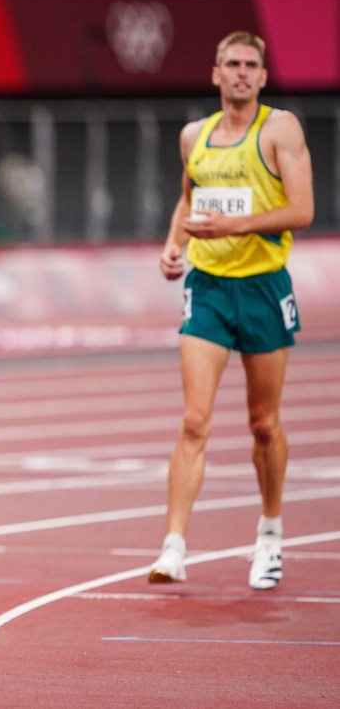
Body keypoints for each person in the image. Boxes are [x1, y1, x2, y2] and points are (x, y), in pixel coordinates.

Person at [149, 31, 314, 590]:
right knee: (195, 419)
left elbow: (303, 209)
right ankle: (173, 547)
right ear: (215, 74)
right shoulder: (194, 136)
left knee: (263, 425)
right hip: (211, 288)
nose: (242, 72)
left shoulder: (280, 129)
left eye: (251, 65)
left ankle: (269, 532)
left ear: (263, 77)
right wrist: (175, 245)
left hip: (265, 288)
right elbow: (190, 200)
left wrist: (234, 226)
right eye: (232, 64)